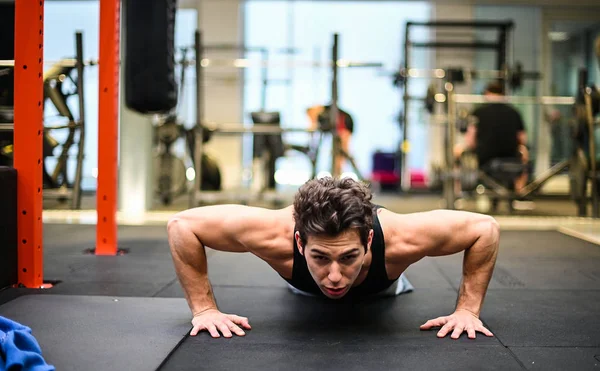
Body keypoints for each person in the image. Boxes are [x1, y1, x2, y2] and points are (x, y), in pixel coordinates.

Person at [168, 177, 499, 340]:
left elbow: (485, 228)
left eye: (349, 257)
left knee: (388, 285)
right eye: (321, 257)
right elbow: (182, 226)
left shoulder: (401, 238)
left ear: (369, 241)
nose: (336, 275)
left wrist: (467, 311)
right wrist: (205, 309)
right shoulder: (272, 234)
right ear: (299, 242)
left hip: (383, 287)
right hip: (302, 286)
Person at [454, 82, 529, 193]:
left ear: (487, 94)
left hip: (485, 157)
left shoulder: (478, 112)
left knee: (456, 151)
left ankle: (458, 193)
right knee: (525, 154)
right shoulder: (514, 112)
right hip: (511, 156)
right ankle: (520, 194)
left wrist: (473, 149)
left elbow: (470, 140)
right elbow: (522, 139)